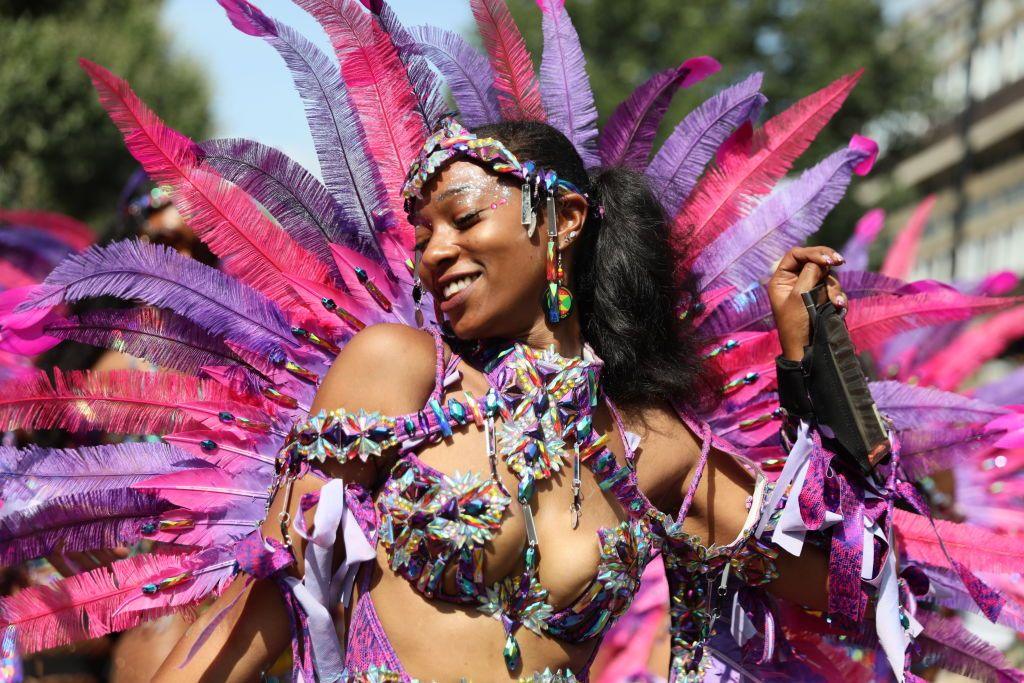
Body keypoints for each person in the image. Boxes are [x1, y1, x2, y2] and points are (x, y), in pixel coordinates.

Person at [1, 1, 1021, 681]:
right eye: (423, 229)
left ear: (560, 221)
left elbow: (855, 579)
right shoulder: (395, 366)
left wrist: (815, 371)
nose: (435, 249)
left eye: (461, 215)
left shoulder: (651, 441)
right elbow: (278, 598)